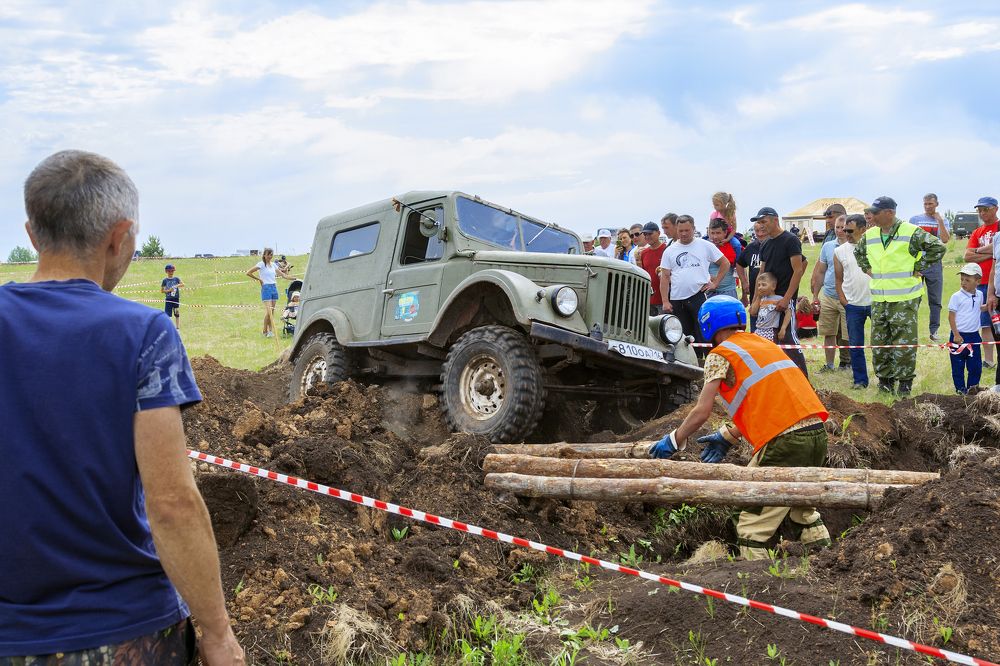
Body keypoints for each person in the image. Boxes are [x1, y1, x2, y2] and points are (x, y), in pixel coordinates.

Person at [0, 150, 243, 663]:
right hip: (126, 630)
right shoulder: (144, 333)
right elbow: (171, 503)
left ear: (31, 232)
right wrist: (217, 633)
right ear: (120, 237)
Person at [648, 296, 832, 560]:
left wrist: (674, 440)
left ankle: (753, 585)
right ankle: (827, 565)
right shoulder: (761, 343)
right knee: (802, 508)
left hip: (784, 441)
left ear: (707, 326)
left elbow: (701, 411)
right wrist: (728, 435)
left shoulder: (719, 355)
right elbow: (767, 398)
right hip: (815, 433)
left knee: (750, 521)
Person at [855, 196, 946, 395]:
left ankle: (904, 383)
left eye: (876, 213)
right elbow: (859, 253)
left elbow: (938, 247)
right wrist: (866, 268)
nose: (872, 217)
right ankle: (885, 382)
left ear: (890, 213)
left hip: (904, 300)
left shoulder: (910, 232)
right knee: (880, 343)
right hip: (879, 299)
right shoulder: (870, 235)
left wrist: (919, 266)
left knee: (903, 343)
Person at [659, 215, 730, 349]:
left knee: (704, 334)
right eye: (681, 231)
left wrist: (715, 283)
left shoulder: (704, 245)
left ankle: (708, 363)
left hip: (699, 296)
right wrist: (665, 301)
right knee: (684, 337)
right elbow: (665, 276)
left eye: (687, 230)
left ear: (693, 229)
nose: (684, 234)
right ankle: (690, 365)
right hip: (677, 299)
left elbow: (725, 263)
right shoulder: (670, 251)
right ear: (676, 230)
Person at [754, 207, 809, 376]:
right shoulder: (765, 244)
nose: (761, 226)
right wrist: (756, 299)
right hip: (766, 301)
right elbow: (761, 274)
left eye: (764, 221)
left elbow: (799, 269)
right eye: (759, 222)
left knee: (789, 340)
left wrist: (787, 298)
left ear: (775, 220)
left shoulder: (790, 240)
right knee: (768, 341)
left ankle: (803, 379)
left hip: (784, 300)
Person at [834, 214, 873, 389]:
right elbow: (838, 279)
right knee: (855, 345)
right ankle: (860, 381)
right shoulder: (839, 251)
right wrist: (844, 300)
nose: (845, 233)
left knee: (880, 343)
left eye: (850, 230)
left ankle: (885, 380)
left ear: (863, 229)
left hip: (875, 302)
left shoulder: (874, 247)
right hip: (852, 305)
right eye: (843, 229)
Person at [811, 214, 851, 372]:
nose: (840, 231)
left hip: (849, 296)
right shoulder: (828, 246)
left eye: (843, 228)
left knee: (848, 334)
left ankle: (847, 363)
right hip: (828, 295)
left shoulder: (856, 246)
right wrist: (815, 295)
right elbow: (821, 272)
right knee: (828, 332)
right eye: (837, 228)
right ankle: (829, 365)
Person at [909, 194, 950, 341]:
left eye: (930, 204)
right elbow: (910, 242)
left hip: (935, 264)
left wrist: (939, 221)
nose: (928, 207)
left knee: (935, 300)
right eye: (925, 204)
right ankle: (910, 329)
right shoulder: (915, 220)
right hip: (918, 263)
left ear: (937, 204)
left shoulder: (943, 220)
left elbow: (945, 239)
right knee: (914, 298)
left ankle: (934, 331)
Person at [964, 197, 998, 368]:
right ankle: (989, 360)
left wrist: (981, 251)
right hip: (981, 282)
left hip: (997, 282)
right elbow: (967, 255)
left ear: (995, 209)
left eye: (986, 209)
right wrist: (991, 252)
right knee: (985, 323)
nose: (982, 213)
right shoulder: (977, 232)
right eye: (980, 210)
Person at [947, 264, 985, 394]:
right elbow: (951, 317)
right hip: (958, 336)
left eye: (967, 280)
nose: (963, 283)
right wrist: (956, 334)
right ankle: (960, 390)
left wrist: (987, 306)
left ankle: (972, 390)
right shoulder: (956, 297)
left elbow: (978, 308)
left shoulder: (980, 295)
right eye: (962, 279)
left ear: (978, 281)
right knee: (957, 366)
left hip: (974, 336)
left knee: (975, 366)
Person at [247, 247, 292, 338]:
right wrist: (259, 279)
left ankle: (270, 331)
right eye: (268, 254)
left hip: (274, 287)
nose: (270, 256)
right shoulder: (261, 264)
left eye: (271, 254)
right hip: (266, 288)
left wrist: (294, 278)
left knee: (272, 311)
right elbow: (248, 272)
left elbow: (283, 275)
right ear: (264, 255)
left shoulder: (273, 265)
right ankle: (265, 331)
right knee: (269, 312)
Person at [737, 219, 769, 325]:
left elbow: (802, 262)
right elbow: (740, 264)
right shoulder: (751, 247)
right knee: (755, 327)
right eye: (757, 231)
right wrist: (744, 282)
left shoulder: (776, 245)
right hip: (755, 294)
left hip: (773, 296)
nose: (759, 234)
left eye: (762, 231)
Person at [707, 218, 743, 298]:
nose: (715, 236)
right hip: (709, 293)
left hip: (728, 292)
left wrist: (744, 293)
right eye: (712, 233)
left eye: (718, 233)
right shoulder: (705, 246)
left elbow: (741, 269)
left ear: (725, 232)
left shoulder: (733, 246)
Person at [638, 221, 668, 315]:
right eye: (645, 234)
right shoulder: (644, 253)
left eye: (650, 233)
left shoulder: (667, 249)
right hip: (648, 301)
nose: (647, 236)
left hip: (665, 300)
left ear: (658, 233)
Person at [748, 272, 788, 342]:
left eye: (764, 285)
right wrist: (758, 297)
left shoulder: (778, 299)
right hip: (758, 329)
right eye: (759, 285)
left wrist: (783, 328)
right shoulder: (761, 299)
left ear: (773, 286)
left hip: (770, 331)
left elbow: (788, 312)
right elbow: (753, 312)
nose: (760, 287)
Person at [161, 263, 185, 330]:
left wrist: (176, 285)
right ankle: (169, 327)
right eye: (169, 271)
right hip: (168, 299)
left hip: (176, 298)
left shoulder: (176, 279)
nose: (171, 272)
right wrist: (169, 290)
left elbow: (183, 284)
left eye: (172, 271)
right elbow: (162, 291)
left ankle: (177, 327)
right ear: (166, 271)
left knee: (176, 313)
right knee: (168, 314)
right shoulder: (164, 280)